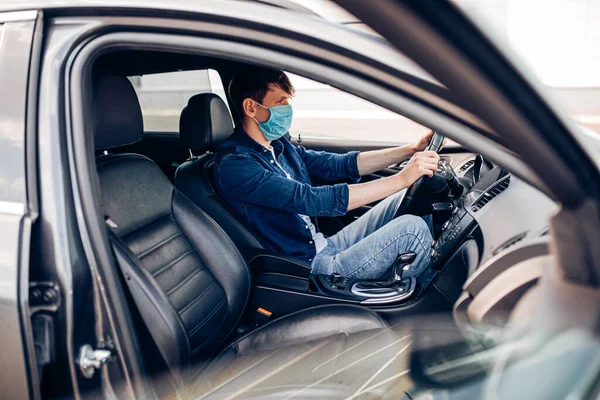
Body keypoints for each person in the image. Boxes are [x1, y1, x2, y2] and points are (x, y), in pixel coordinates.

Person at [213, 67, 440, 285]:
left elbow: (338, 165)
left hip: (323, 244)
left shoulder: (279, 145)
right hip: (309, 267)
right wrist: (401, 178)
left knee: (403, 200)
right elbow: (309, 199)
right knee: (412, 230)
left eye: (287, 101)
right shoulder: (235, 165)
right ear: (251, 108)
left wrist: (410, 150)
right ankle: (428, 306)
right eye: (279, 101)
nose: (287, 108)